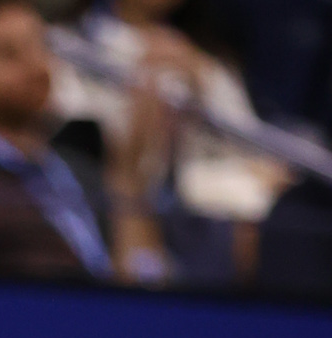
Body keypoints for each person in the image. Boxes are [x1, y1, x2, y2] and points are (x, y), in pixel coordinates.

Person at [52, 0, 292, 282]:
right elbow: (74, 125)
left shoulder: (204, 54)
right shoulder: (71, 41)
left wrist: (201, 81)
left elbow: (249, 145)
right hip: (111, 190)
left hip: (194, 205)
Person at [0, 0, 161, 279]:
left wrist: (128, 181)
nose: (35, 65)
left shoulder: (84, 172)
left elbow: (147, 277)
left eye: (40, 46)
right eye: (7, 54)